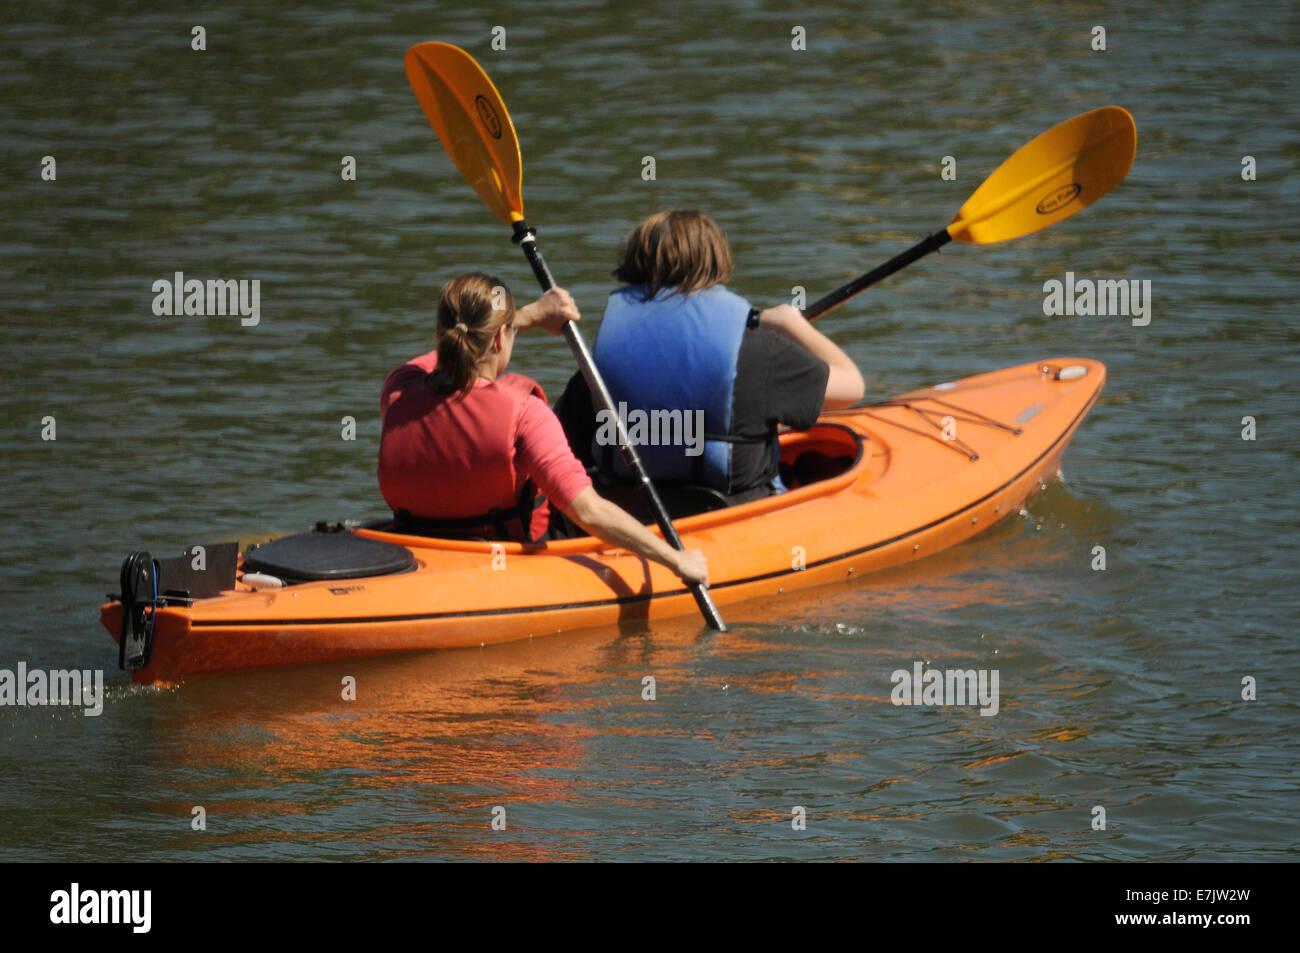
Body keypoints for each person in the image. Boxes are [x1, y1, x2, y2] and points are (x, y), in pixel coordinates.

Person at [378, 272, 707, 587]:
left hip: (418, 549)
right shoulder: (525, 415)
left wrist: (525, 317)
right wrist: (675, 559)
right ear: (498, 339)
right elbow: (588, 511)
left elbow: (447, 352)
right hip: (504, 560)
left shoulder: (398, 390)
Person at [557, 208, 865, 503]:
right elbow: (852, 387)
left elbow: (562, 438)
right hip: (730, 515)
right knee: (816, 464)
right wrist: (791, 323)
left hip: (629, 512)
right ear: (717, 262)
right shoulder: (756, 349)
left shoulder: (605, 354)